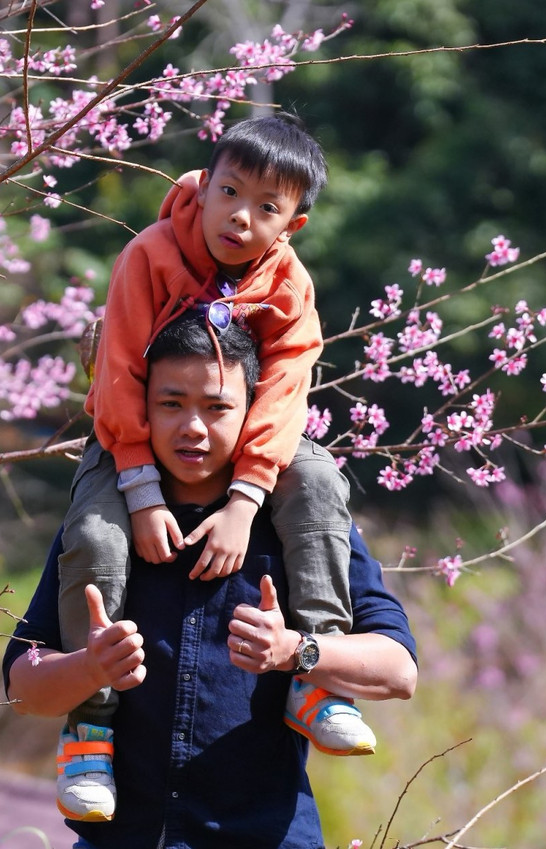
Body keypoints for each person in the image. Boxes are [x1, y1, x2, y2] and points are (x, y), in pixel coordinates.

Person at [5, 311, 418, 847]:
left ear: (253, 412)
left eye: (217, 407)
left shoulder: (299, 524)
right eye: (171, 404)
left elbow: (399, 671)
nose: (193, 428)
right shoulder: (100, 527)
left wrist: (297, 650)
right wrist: (90, 666)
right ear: (141, 410)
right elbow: (22, 689)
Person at [56, 113, 366, 822]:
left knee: (319, 482)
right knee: (99, 539)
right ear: (204, 188)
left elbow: (287, 393)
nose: (241, 217)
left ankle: (318, 678)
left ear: (295, 223)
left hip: (248, 449)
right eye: (230, 192)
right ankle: (88, 730)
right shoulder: (151, 254)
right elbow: (118, 373)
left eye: (267, 208)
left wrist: (247, 497)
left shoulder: (289, 284)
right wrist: (138, 489)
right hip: (131, 436)